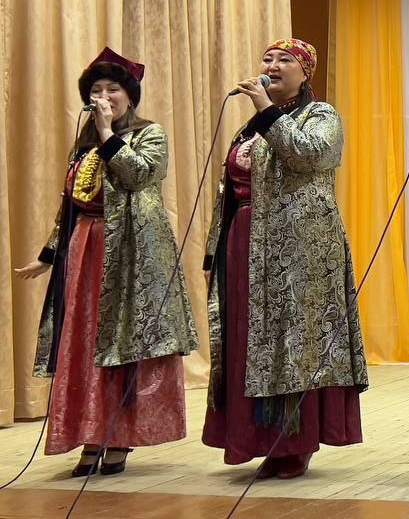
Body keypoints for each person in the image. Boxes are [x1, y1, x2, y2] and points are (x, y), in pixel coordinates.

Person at [16, 48, 197, 477]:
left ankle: (119, 436)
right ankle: (90, 434)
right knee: (85, 341)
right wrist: (48, 255)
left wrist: (106, 132)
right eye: (96, 90)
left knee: (122, 343)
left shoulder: (150, 134)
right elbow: (71, 204)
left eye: (112, 89)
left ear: (130, 96)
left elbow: (138, 176)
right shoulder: (83, 146)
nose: (103, 96)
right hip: (85, 248)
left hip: (130, 254)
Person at [202, 38, 367, 479]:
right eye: (267, 59)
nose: (272, 65)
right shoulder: (250, 127)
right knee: (249, 339)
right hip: (245, 240)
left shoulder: (320, 115)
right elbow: (230, 190)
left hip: (300, 249)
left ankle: (293, 443)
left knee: (291, 342)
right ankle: (254, 437)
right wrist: (214, 247)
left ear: (305, 71)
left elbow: (312, 155)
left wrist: (266, 109)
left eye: (284, 60)